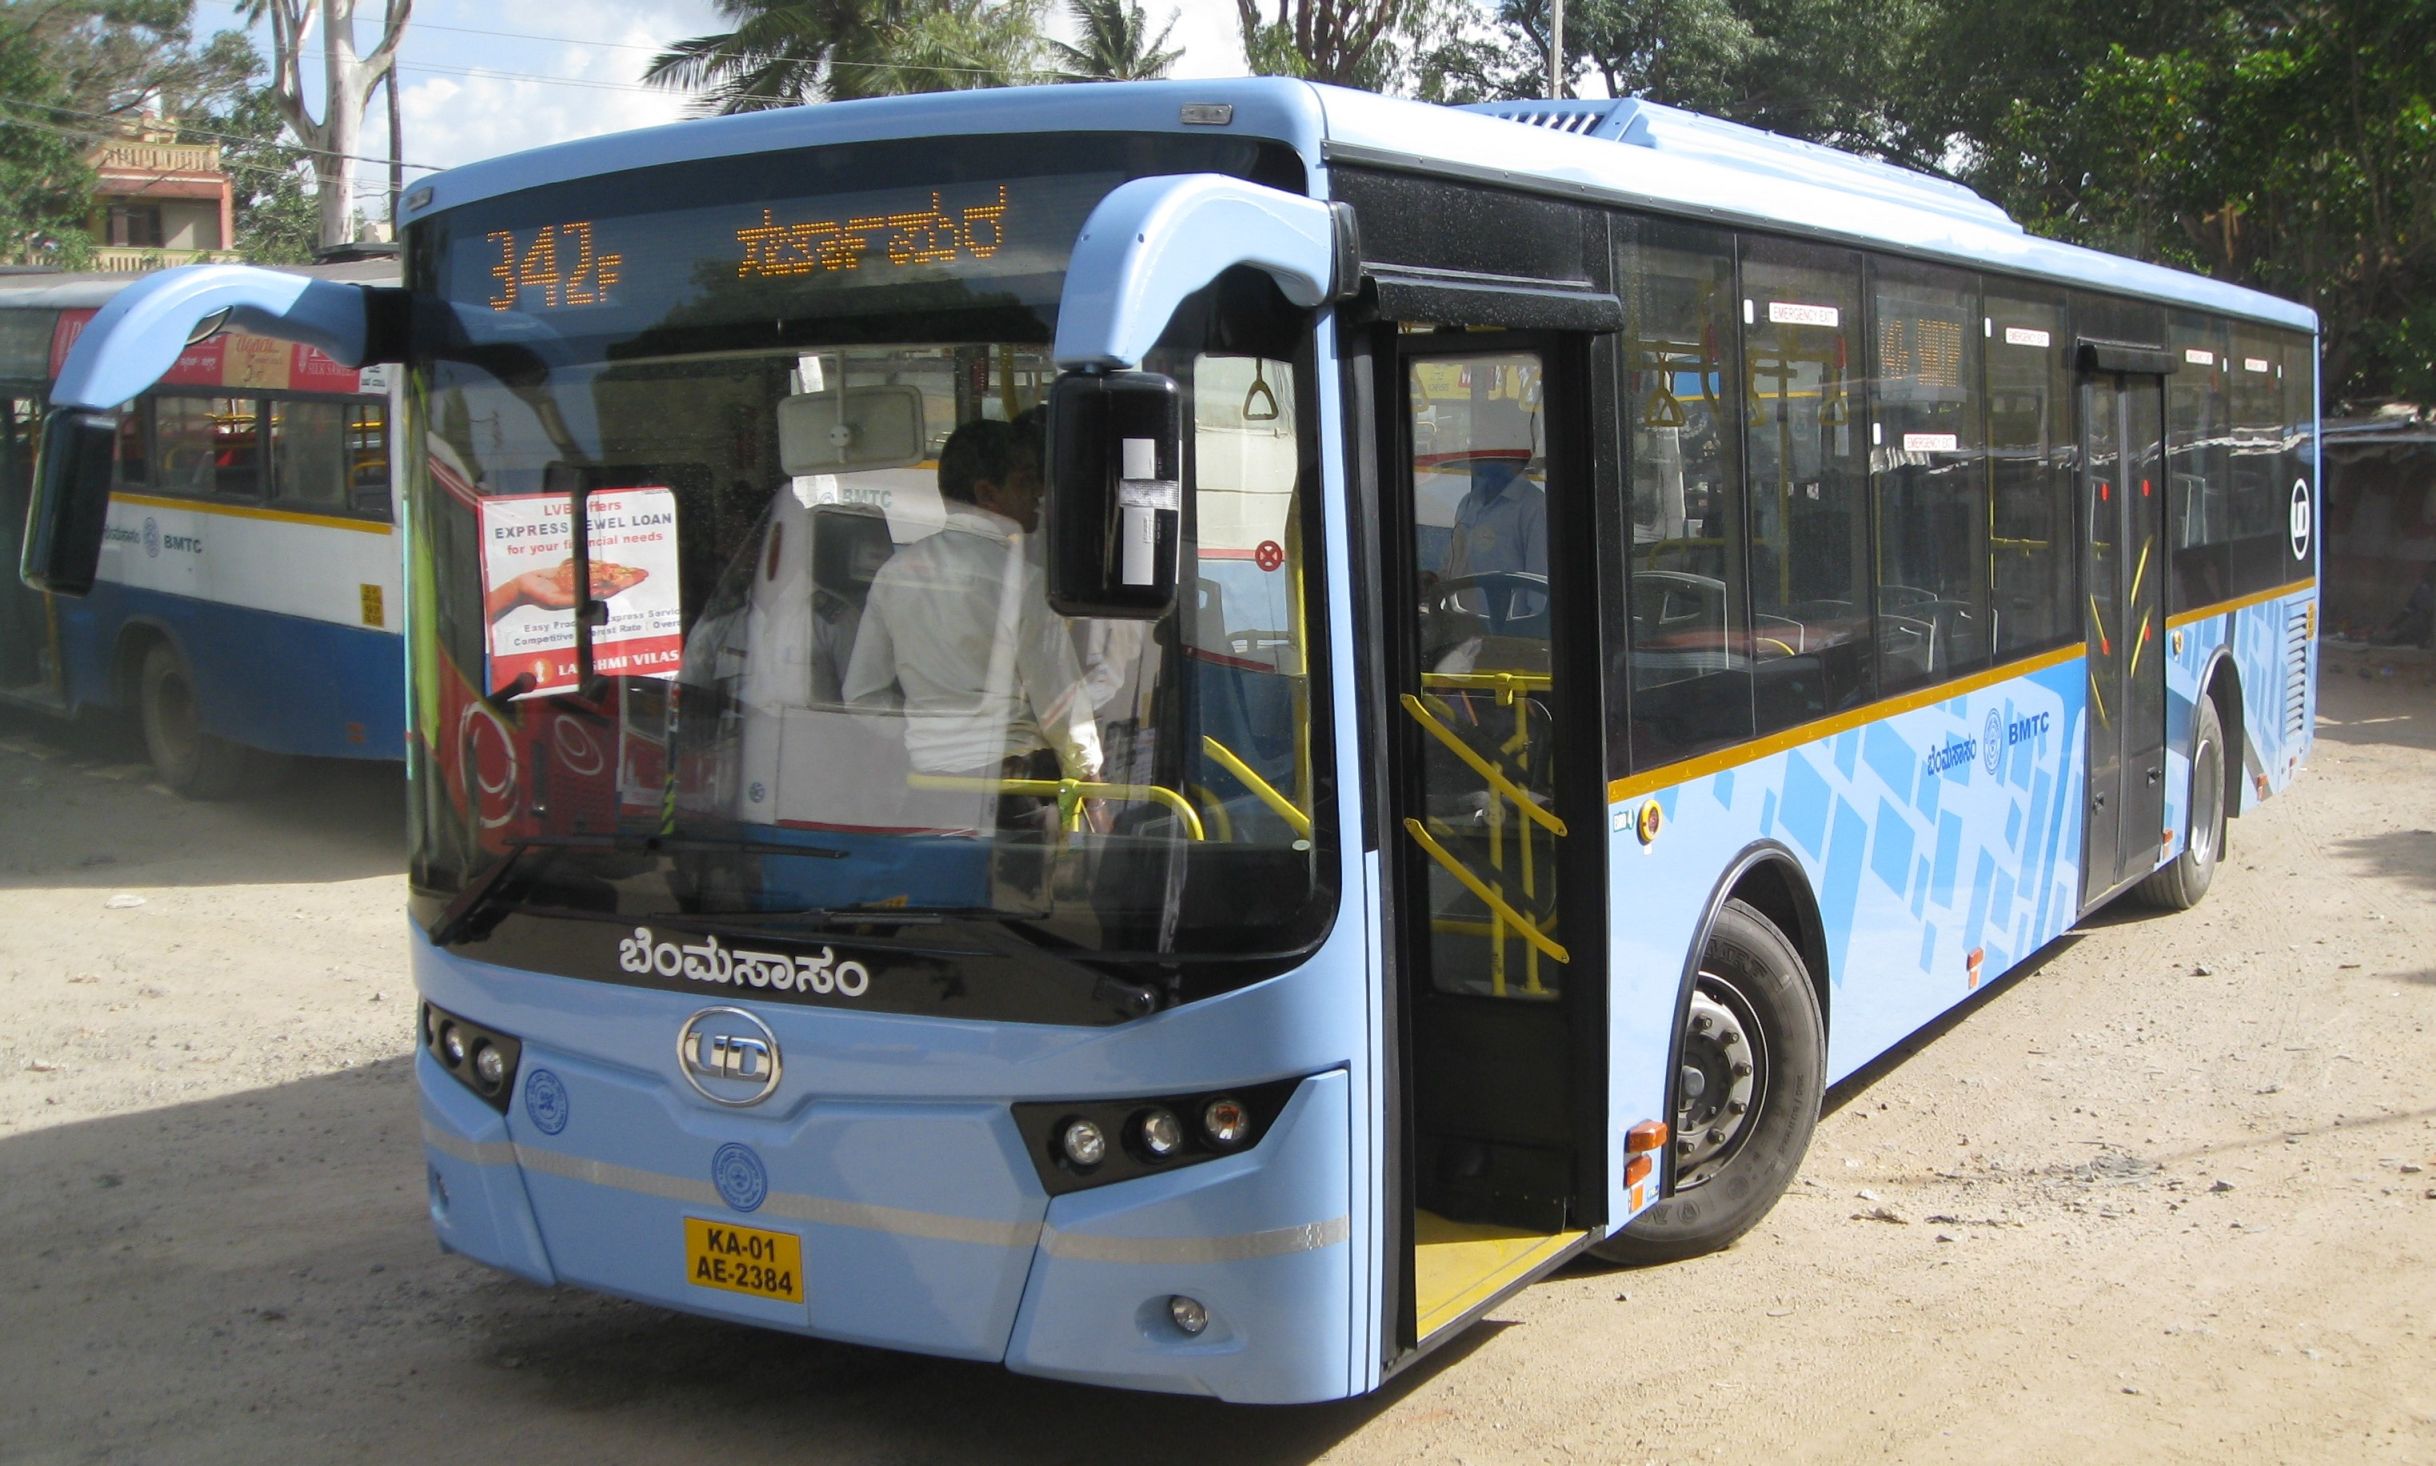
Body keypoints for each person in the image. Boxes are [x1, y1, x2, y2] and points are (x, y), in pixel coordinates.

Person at [842, 419, 1103, 826]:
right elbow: (1061, 706)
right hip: (1013, 795)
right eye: (1025, 482)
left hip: (928, 792)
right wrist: (1092, 783)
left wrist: (930, 736)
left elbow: (862, 695)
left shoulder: (894, 574)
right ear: (987, 493)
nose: (1038, 493)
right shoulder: (1025, 583)